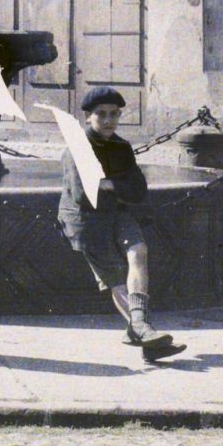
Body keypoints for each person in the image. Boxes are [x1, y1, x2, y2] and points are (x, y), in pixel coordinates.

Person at [56, 86, 185, 362]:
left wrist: (109, 184)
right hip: (86, 222)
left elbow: (139, 189)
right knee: (116, 278)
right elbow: (84, 195)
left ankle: (139, 327)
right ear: (87, 118)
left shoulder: (121, 147)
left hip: (117, 214)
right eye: (101, 114)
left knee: (139, 251)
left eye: (114, 114)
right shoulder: (77, 150)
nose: (108, 120)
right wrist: (119, 186)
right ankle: (143, 332)